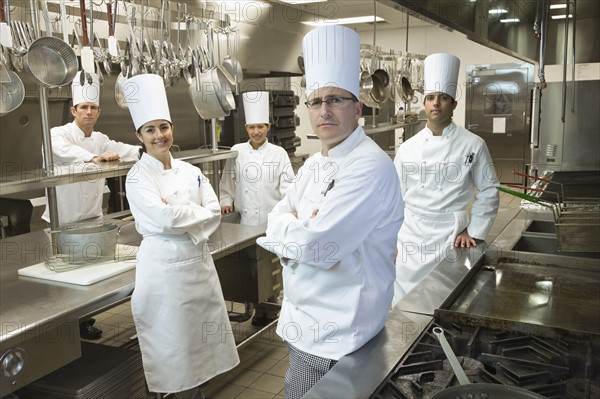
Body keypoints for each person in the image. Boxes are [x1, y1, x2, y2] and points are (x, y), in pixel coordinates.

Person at [256, 26, 404, 398]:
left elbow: (318, 245)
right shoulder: (314, 164)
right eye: (315, 101)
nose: (324, 110)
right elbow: (276, 217)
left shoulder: (368, 165)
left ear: (357, 108)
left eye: (335, 100)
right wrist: (298, 229)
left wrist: (296, 232)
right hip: (303, 325)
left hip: (337, 336)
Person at [124, 74, 239, 399]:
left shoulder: (191, 171)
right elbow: (162, 217)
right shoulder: (137, 178)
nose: (159, 135)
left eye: (164, 127)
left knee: (201, 350)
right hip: (164, 276)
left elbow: (214, 211)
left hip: (198, 271)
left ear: (171, 129)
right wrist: (187, 211)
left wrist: (176, 211)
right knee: (174, 354)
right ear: (140, 135)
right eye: (151, 129)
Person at [392, 53, 500, 306]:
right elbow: (394, 197)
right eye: (430, 98)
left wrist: (474, 229)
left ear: (454, 104)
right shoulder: (408, 148)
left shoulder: (473, 144)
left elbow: (489, 189)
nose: (435, 103)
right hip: (411, 234)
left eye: (443, 98)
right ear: (425, 103)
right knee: (404, 300)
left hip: (450, 233)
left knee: (444, 297)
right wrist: (390, 240)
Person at [41, 71, 140, 340]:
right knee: (65, 273)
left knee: (91, 271)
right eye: (83, 107)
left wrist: (147, 147)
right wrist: (93, 158)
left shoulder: (101, 138)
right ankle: (64, 325)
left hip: (92, 217)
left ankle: (85, 320)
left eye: (93, 108)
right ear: (73, 110)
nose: (88, 112)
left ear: (98, 112)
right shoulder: (57, 134)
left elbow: (122, 148)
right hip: (64, 221)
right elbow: (61, 150)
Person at [219, 90, 295, 326]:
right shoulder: (237, 150)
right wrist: (225, 201)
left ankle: (271, 306)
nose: (256, 132)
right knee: (251, 267)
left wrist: (289, 209)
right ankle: (254, 305)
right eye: (251, 127)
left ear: (269, 126)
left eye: (260, 126)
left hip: (272, 220)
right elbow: (227, 179)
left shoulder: (279, 153)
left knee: (271, 264)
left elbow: (288, 186)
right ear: (246, 128)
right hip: (246, 221)